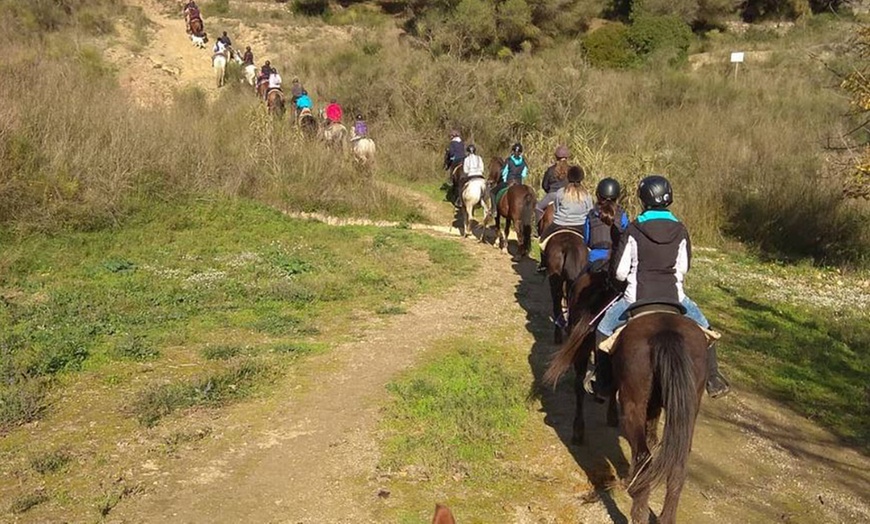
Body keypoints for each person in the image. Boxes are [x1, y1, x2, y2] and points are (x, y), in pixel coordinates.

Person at [585, 175, 731, 400]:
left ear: (643, 200)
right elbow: (683, 267)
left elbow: (620, 272)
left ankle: (602, 383)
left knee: (603, 329)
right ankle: (713, 379)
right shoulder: (681, 229)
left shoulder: (634, 229)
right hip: (675, 297)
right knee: (707, 330)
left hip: (636, 298)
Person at [536, 165, 594, 271]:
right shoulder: (587, 195)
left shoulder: (561, 192)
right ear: (581, 178)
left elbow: (556, 209)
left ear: (568, 177)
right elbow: (590, 212)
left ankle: (544, 263)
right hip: (580, 226)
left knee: (542, 242)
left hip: (559, 223)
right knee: (591, 247)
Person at [583, 177, 630, 273]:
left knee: (576, 283)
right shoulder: (622, 215)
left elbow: (586, 239)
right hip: (617, 258)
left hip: (594, 259)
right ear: (617, 197)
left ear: (598, 195)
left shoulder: (591, 215)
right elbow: (627, 236)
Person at [535, 145, 571, 230]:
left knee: (537, 207)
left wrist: (549, 191)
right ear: (567, 157)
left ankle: (539, 230)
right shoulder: (571, 169)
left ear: (556, 157)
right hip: (566, 195)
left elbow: (544, 185)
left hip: (552, 195)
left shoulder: (550, 170)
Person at [491, 143, 528, 213]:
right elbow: (524, 174)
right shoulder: (523, 161)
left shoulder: (508, 160)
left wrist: (504, 179)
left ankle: (494, 210)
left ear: (513, 151)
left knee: (492, 192)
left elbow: (504, 172)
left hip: (509, 182)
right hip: (519, 183)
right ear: (520, 152)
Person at [443, 130, 466, 205]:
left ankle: (451, 179)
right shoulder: (462, 142)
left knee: (453, 168)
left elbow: (452, 153)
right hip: (464, 159)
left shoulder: (452, 143)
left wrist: (450, 155)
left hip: (456, 159)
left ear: (453, 136)